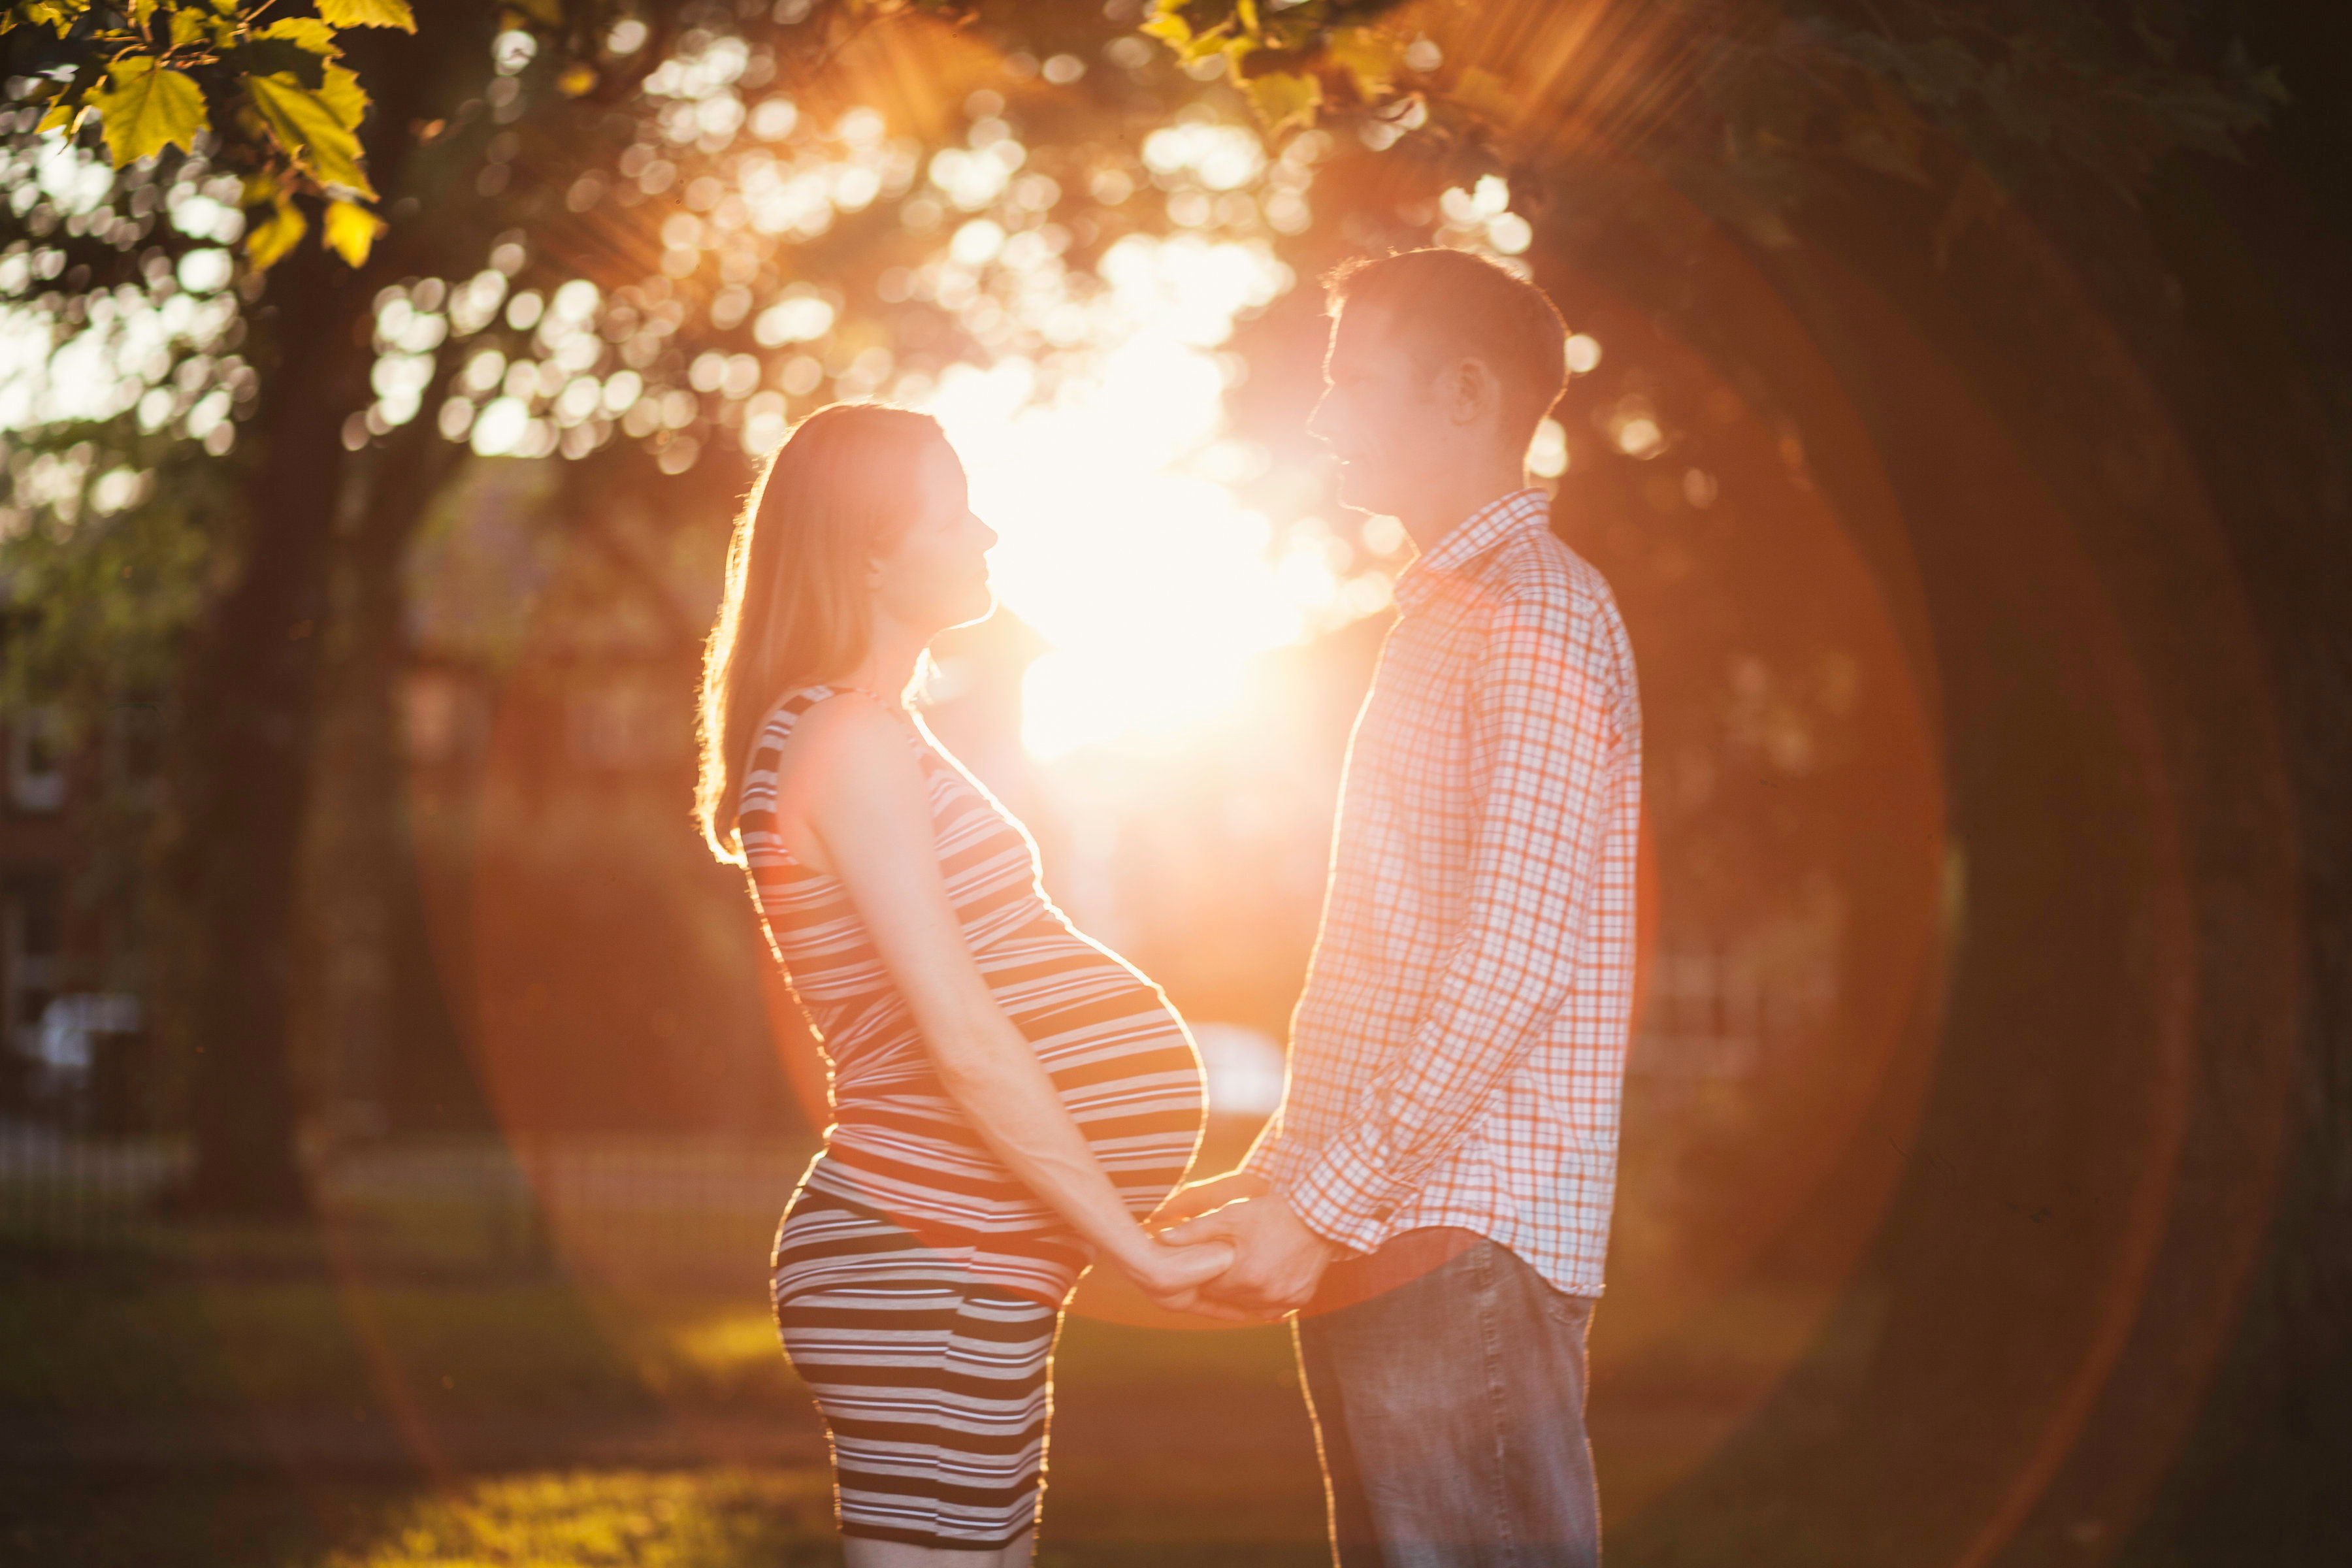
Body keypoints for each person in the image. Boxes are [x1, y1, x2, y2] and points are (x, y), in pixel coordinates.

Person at [1158, 249, 1643, 1567]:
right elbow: (1394, 957)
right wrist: (1280, 1182)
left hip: (1457, 1239)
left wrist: (1317, 1209)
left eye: (1352, 383)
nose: (1323, 419)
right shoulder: (1442, 614)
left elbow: (1513, 958)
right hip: (1396, 1229)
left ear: (1466, 393)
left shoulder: (1538, 612)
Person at [694, 402, 1233, 1567]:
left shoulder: (869, 730)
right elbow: (964, 1036)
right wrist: (1131, 1251)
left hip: (967, 1254)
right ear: (873, 552)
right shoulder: (847, 739)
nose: (988, 535)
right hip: (921, 1255)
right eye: (957, 512)